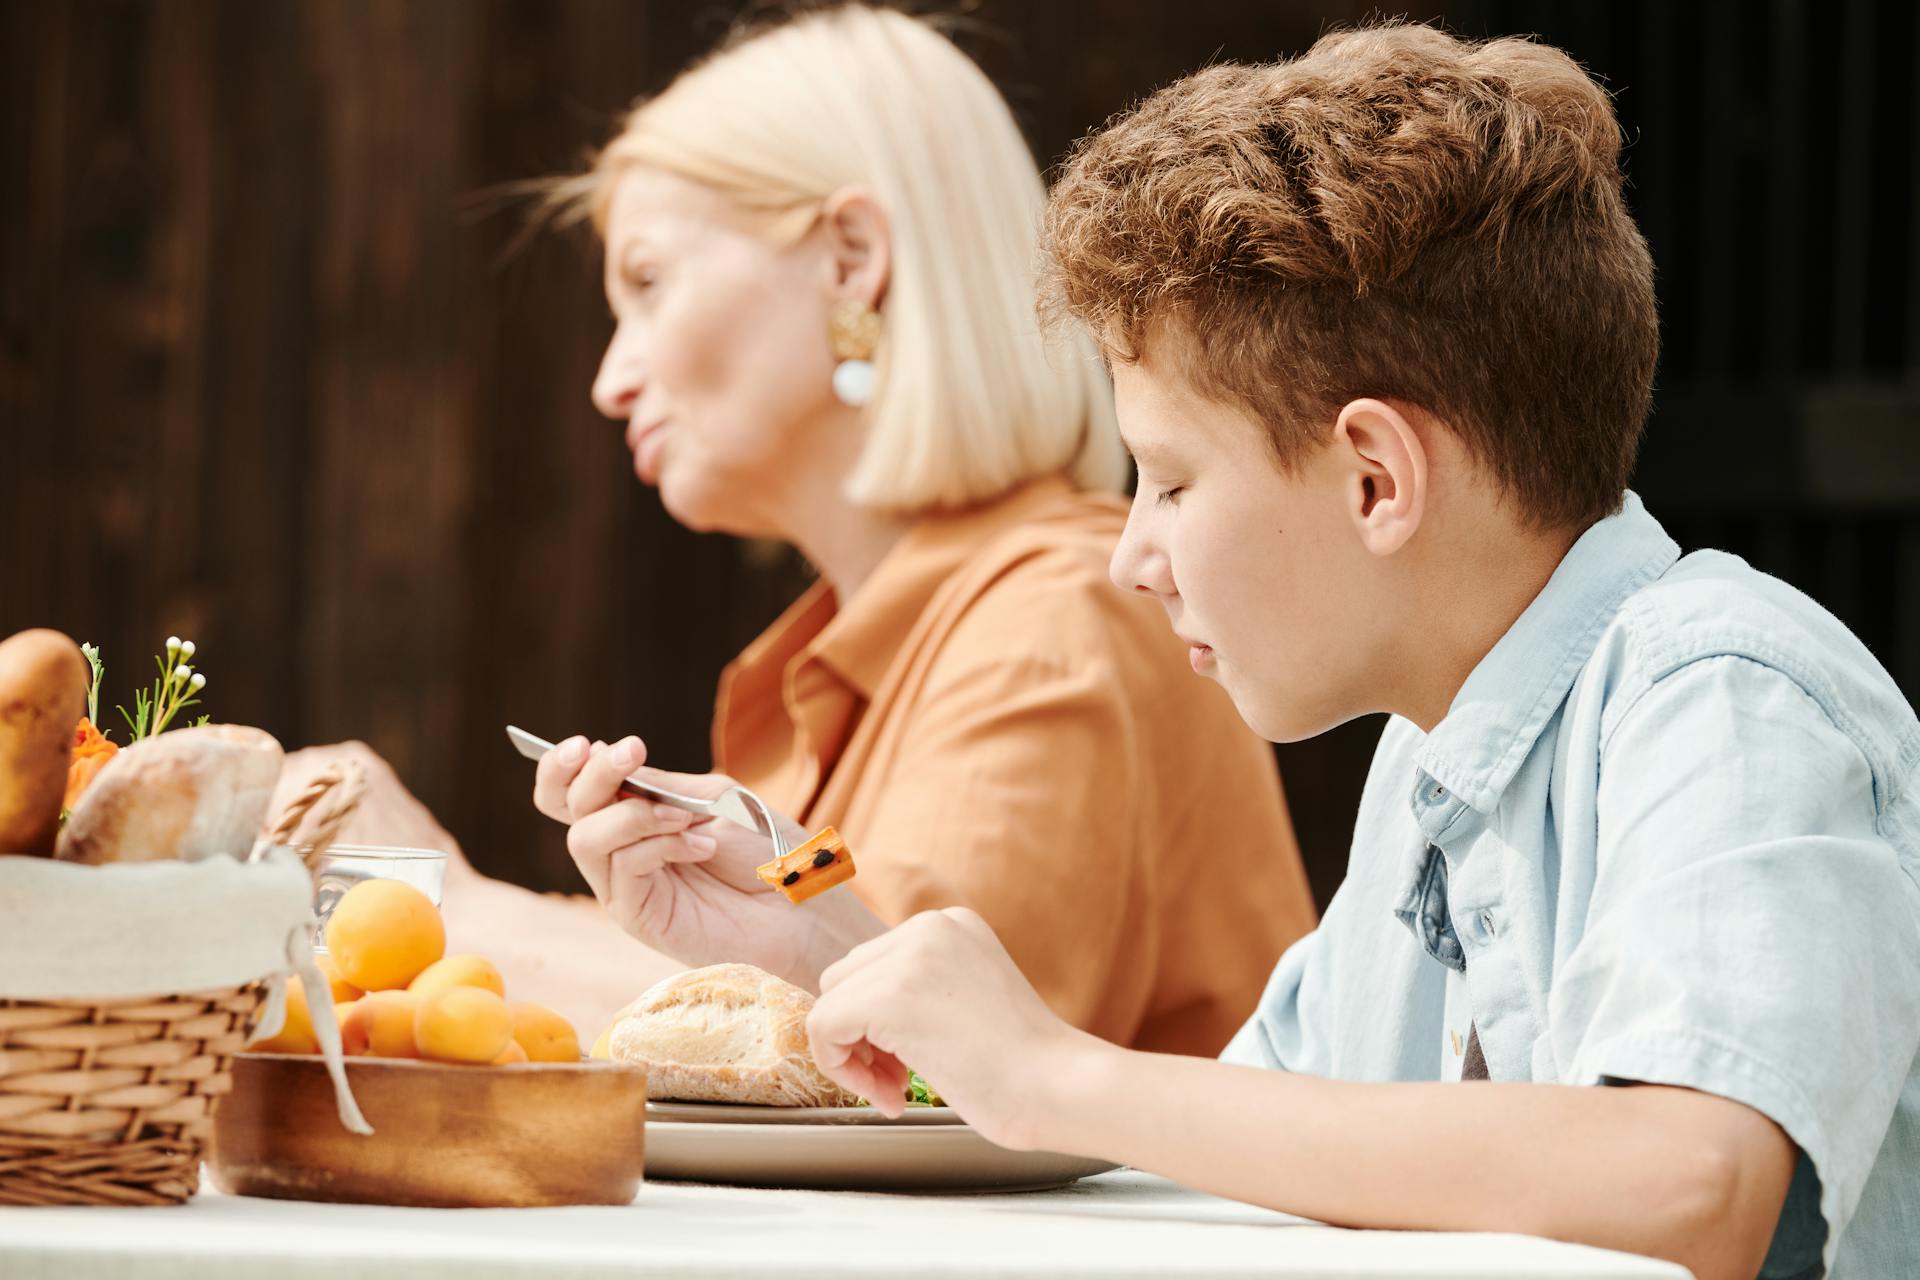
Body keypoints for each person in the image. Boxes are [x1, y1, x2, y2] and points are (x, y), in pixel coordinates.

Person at [792, 23, 1920, 1280]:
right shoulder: (1425, 762)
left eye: (1167, 480)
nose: (1132, 555)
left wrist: (1064, 1070)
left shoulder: (1726, 694)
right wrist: (812, 944)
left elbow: (1690, 1178)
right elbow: (1205, 1161)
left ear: (1378, 477)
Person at [296, 3, 1316, 1055]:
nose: (610, 379)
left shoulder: (1057, 621)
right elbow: (788, 949)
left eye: (648, 284)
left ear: (849, 259)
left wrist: (425, 896)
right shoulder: (842, 665)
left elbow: (876, 1046)